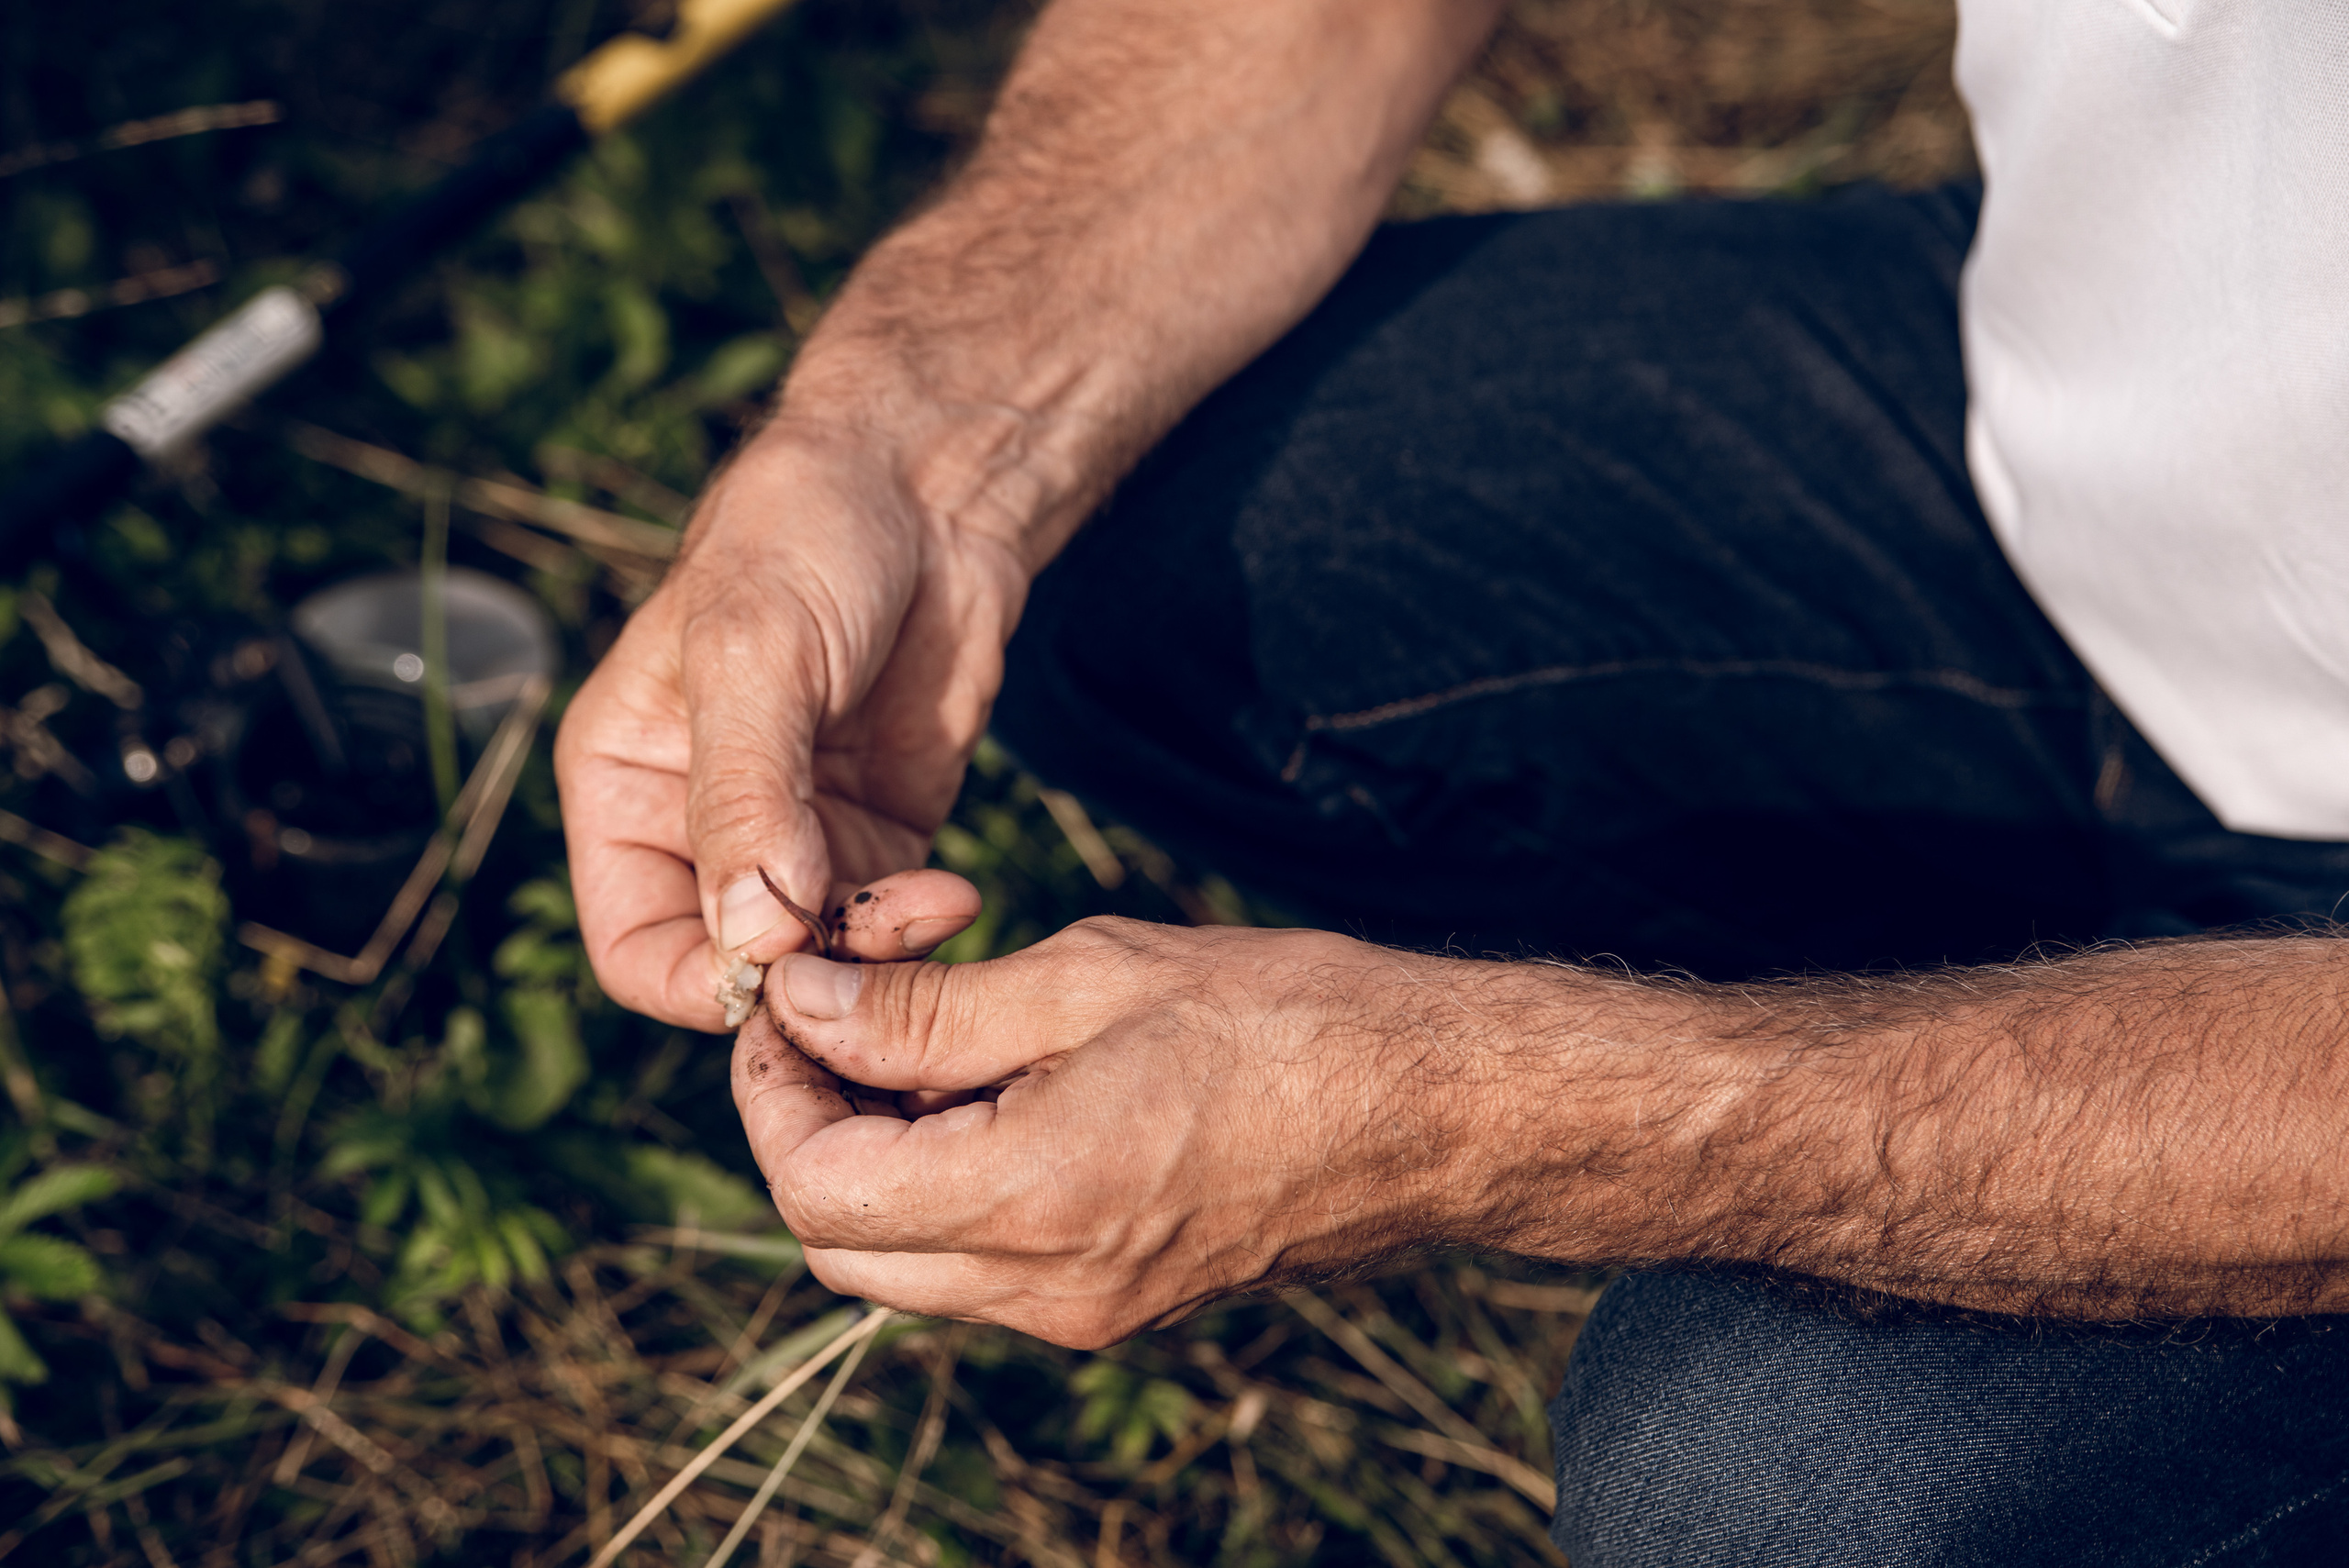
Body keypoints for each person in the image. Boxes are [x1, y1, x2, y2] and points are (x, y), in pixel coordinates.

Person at [553, 0, 2349, 1559]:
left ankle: (2112, 1100)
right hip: (2096, 440)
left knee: (1777, 1487)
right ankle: (2090, 1018)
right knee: (1136, 542)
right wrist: (915, 444)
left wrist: (1522, 1112)